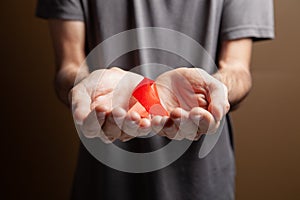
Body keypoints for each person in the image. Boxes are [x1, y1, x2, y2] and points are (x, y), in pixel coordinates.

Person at [36, 0, 274, 199]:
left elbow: (237, 68)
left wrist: (215, 90)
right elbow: (69, 66)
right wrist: (84, 87)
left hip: (203, 182)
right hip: (104, 182)